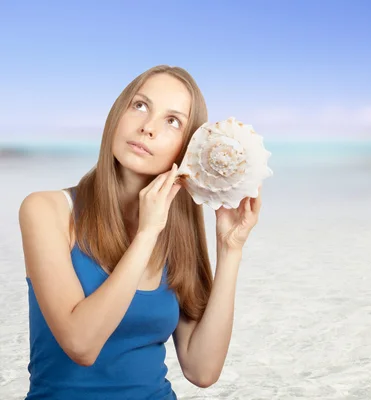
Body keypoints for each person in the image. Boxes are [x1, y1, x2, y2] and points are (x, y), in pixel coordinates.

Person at [18, 65, 262, 399]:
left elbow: (202, 370)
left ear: (187, 147)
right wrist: (146, 235)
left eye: (172, 120)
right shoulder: (46, 210)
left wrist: (230, 248)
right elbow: (81, 345)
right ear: (118, 113)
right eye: (140, 105)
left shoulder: (177, 236)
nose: (148, 128)